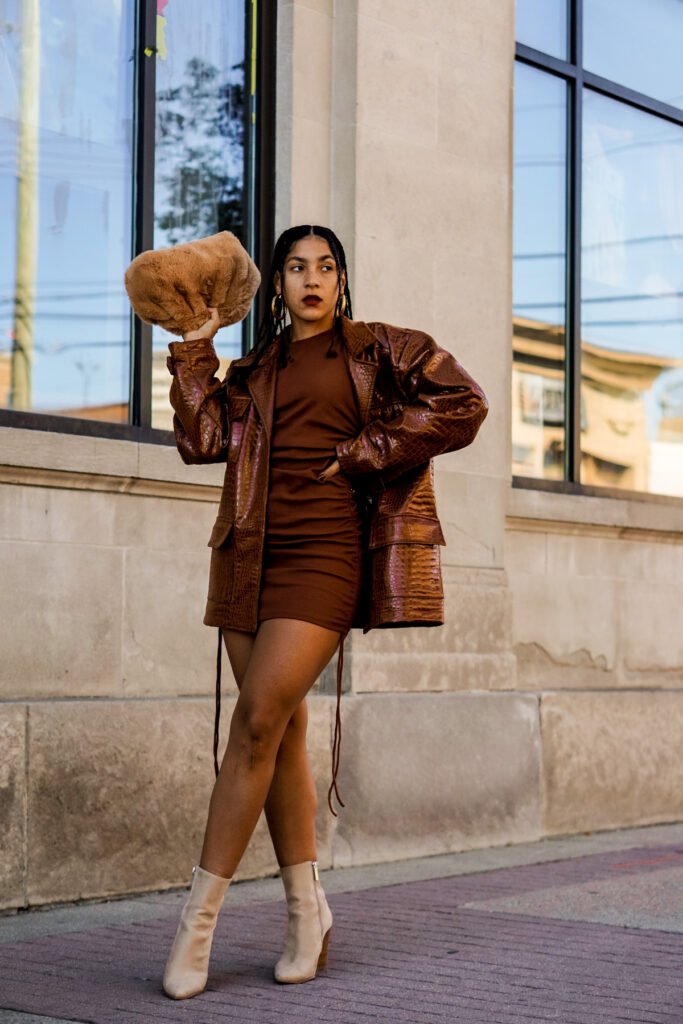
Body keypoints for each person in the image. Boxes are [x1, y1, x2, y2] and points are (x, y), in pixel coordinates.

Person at [161, 224, 488, 999]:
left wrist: (360, 454)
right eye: (296, 267)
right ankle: (308, 913)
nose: (312, 279)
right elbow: (202, 440)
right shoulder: (255, 366)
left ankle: (193, 930)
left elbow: (462, 403)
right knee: (279, 729)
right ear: (275, 284)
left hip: (327, 557)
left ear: (342, 279)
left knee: (252, 727)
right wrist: (195, 350)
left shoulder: (382, 348)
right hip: (247, 556)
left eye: (326, 266)